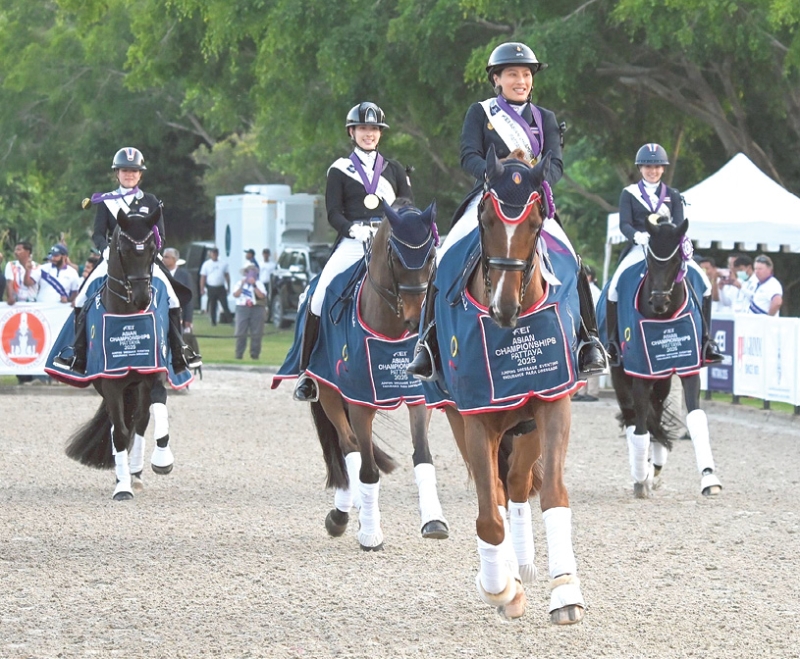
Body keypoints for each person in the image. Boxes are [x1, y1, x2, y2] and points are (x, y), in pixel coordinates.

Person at [407, 41, 606, 380]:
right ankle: (427, 344)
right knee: (443, 258)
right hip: (490, 198)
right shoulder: (481, 113)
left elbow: (555, 163)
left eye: (526, 74)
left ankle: (588, 341)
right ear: (496, 79)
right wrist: (496, 172)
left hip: (530, 199)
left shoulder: (546, 118)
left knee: (574, 260)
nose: (521, 80)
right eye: (513, 74)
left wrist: (535, 177)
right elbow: (468, 155)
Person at [293, 101, 413, 402]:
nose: (369, 134)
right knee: (317, 296)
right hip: (353, 240)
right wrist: (353, 229)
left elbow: (407, 207)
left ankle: (429, 359)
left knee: (422, 286)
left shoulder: (394, 169)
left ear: (380, 134)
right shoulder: (339, 169)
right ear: (352, 132)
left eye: (374, 129)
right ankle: (306, 371)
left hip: (389, 239)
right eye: (363, 129)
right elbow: (333, 213)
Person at [53, 147, 201, 374]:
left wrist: (155, 253)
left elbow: (160, 233)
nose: (129, 174)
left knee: (172, 298)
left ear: (140, 174)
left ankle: (180, 350)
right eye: (124, 171)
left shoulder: (151, 201)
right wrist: (104, 251)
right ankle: (78, 353)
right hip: (114, 259)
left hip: (144, 260)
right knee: (81, 299)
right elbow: (98, 234)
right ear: (117, 173)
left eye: (134, 171)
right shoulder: (106, 201)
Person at [604, 143, 722, 365]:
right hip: (640, 247)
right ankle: (612, 343)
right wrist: (637, 236)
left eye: (657, 166)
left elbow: (678, 224)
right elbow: (624, 224)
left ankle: (706, 342)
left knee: (705, 284)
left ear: (663, 169)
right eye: (648, 166)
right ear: (640, 168)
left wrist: (668, 241)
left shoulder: (673, 195)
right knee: (613, 288)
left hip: (666, 251)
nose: (653, 170)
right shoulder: (629, 193)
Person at [573, 265, 602, 402]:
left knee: (593, 356)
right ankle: (582, 390)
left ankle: (592, 391)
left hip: (592, 328)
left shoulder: (594, 291)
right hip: (580, 327)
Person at [232, 264, 267, 359]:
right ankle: (239, 354)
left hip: (256, 308)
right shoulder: (240, 283)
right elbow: (235, 294)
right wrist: (243, 285)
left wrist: (254, 285)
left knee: (256, 332)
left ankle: (255, 354)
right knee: (241, 331)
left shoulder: (259, 283)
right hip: (242, 307)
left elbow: (262, 296)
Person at [199, 247, 231, 325]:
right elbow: (203, 277)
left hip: (221, 287)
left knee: (224, 304)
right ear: (211, 254)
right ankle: (213, 322)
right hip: (211, 287)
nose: (214, 255)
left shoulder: (223, 263)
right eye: (213, 253)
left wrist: (228, 286)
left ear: (218, 254)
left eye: (216, 253)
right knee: (212, 305)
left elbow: (227, 275)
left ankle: (230, 320)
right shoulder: (206, 264)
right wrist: (202, 288)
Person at [4, 241, 40, 305]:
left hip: (32, 303)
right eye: (15, 250)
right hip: (16, 302)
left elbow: (28, 283)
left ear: (27, 252)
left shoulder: (37, 267)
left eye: (19, 250)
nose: (16, 252)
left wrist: (27, 271)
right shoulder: (11, 265)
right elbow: (9, 282)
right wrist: (10, 297)